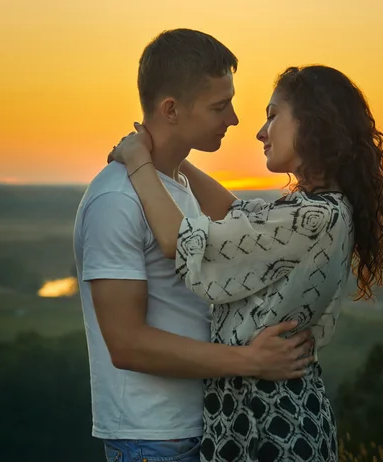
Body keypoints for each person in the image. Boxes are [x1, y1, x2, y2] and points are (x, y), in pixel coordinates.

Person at [109, 64, 383, 461]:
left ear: (313, 121)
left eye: (272, 115)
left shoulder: (315, 216)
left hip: (274, 423)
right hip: (266, 414)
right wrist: (171, 155)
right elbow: (236, 214)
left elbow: (181, 243)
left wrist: (139, 161)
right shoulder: (317, 210)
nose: (261, 132)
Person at [73, 29, 314, 462]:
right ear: (171, 109)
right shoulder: (116, 199)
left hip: (208, 429)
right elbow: (126, 344)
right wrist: (253, 362)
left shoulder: (176, 188)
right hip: (153, 440)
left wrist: (162, 156)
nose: (235, 119)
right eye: (219, 106)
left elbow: (243, 222)